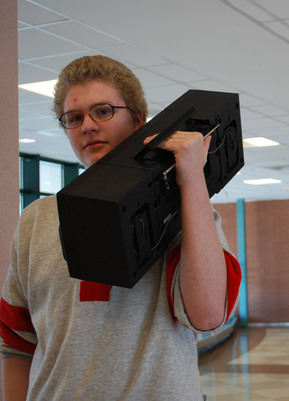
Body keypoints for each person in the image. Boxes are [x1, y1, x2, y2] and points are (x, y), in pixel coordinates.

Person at [0, 55, 241, 401]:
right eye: (74, 117)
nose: (87, 126)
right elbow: (16, 341)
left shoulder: (186, 210)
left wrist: (191, 182)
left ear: (138, 121)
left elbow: (206, 315)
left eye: (103, 111)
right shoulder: (36, 220)